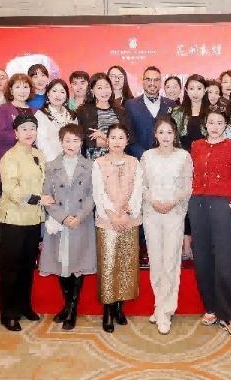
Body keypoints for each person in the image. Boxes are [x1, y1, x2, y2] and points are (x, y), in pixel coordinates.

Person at [189, 107, 231, 338]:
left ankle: (229, 315)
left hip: (222, 205)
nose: (215, 126)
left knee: (224, 260)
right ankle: (211, 308)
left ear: (226, 125)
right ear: (205, 124)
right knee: (202, 258)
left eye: (219, 122)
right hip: (197, 204)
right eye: (211, 122)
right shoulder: (196, 146)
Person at [38, 124, 96, 331]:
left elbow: (92, 195)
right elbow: (46, 196)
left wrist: (79, 216)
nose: (71, 144)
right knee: (61, 265)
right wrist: (63, 218)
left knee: (77, 265)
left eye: (76, 140)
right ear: (60, 142)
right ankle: (67, 306)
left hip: (81, 221)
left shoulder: (90, 166)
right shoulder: (51, 166)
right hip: (59, 222)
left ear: (82, 142)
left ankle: (72, 309)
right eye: (67, 140)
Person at [140, 117, 193, 335]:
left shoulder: (183, 156)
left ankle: (166, 311)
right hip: (152, 214)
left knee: (171, 262)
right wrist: (152, 201)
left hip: (174, 214)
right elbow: (142, 185)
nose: (165, 137)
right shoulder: (147, 156)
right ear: (155, 134)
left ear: (175, 134)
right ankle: (159, 305)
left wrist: (173, 201)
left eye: (169, 132)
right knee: (156, 261)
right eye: (161, 132)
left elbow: (188, 186)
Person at [0, 114, 48, 332]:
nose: (29, 133)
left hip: (34, 219)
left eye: (32, 128)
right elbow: (11, 189)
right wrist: (37, 199)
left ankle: (24, 306)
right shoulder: (9, 157)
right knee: (11, 268)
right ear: (16, 133)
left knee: (27, 267)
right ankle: (9, 314)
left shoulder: (39, 154)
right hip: (13, 220)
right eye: (24, 129)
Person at [92, 123, 144, 333]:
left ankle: (120, 307)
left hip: (129, 220)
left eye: (121, 137)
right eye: (112, 137)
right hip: (108, 221)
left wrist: (128, 213)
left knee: (126, 264)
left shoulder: (134, 162)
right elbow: (98, 193)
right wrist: (112, 215)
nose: (116, 141)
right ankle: (108, 310)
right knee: (108, 264)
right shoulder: (99, 163)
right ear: (107, 140)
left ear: (127, 140)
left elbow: (138, 190)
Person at [171, 74, 210, 259]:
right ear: (186, 90)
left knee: (201, 205)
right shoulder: (178, 112)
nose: (195, 92)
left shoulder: (211, 112)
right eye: (191, 88)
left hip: (206, 165)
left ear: (205, 90)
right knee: (184, 204)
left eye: (199, 88)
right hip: (182, 164)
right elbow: (172, 138)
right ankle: (185, 246)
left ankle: (201, 245)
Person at [124, 66, 177, 159]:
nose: (152, 83)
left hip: (166, 160)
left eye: (156, 80)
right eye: (148, 79)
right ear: (143, 81)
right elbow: (129, 137)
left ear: (160, 83)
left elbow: (175, 135)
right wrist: (145, 156)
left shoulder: (171, 105)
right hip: (139, 160)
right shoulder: (130, 105)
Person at [76, 73, 132, 160]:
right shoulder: (84, 111)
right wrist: (117, 142)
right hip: (95, 161)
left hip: (119, 159)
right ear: (92, 90)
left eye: (107, 87)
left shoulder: (120, 111)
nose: (104, 91)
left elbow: (128, 139)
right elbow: (90, 141)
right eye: (99, 88)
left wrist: (103, 136)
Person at [0, 74, 37, 162]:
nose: (22, 91)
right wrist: (24, 137)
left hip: (31, 157)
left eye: (25, 87)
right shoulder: (2, 109)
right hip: (9, 158)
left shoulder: (36, 111)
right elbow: (1, 134)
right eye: (18, 87)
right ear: (11, 91)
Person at [36, 79, 78, 162]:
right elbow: (41, 143)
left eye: (62, 92)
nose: (58, 95)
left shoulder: (72, 115)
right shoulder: (41, 115)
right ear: (48, 94)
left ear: (66, 96)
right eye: (54, 91)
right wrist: (56, 163)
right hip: (50, 161)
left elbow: (76, 139)